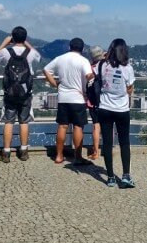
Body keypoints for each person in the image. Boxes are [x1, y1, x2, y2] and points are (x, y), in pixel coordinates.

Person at [0, 26, 41, 163]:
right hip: (25, 93)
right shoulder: (30, 53)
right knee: (24, 121)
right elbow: (38, 56)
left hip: (10, 93)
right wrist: (26, 43)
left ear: (12, 37)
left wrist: (4, 43)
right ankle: (24, 151)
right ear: (25, 38)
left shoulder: (6, 52)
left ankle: (6, 152)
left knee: (8, 121)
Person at [43, 38, 94, 165]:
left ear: (69, 47)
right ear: (82, 49)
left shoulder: (60, 58)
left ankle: (59, 156)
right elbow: (89, 76)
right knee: (78, 127)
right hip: (78, 98)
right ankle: (78, 157)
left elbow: (46, 70)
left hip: (63, 97)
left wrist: (55, 84)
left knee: (62, 126)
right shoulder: (83, 61)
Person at [97, 39, 136, 188]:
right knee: (124, 142)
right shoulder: (128, 68)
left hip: (104, 108)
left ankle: (111, 177)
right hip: (121, 109)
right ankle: (126, 176)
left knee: (107, 143)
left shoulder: (102, 65)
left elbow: (96, 79)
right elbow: (129, 89)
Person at [86, 46, 106, 160]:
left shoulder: (90, 68)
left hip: (93, 102)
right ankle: (107, 149)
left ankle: (95, 151)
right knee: (108, 126)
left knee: (96, 126)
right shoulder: (107, 66)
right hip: (106, 100)